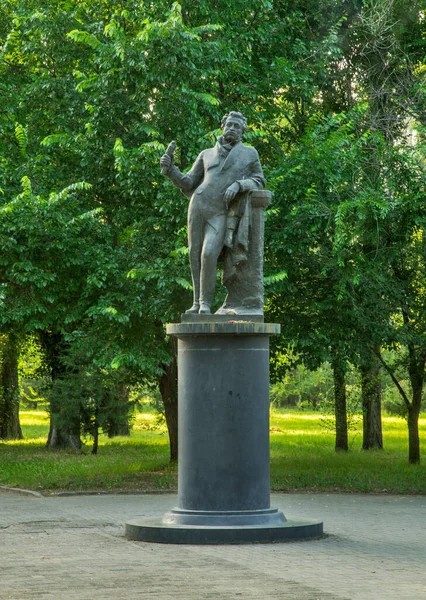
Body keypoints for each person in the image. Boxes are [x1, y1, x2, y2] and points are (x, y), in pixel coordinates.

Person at [160, 111, 265, 315]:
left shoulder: (249, 153)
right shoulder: (206, 154)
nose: (232, 128)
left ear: (243, 130)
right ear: (222, 127)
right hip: (198, 205)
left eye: (237, 126)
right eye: (229, 125)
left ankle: (205, 302)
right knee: (194, 254)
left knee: (208, 253)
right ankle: (198, 304)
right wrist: (171, 170)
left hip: (220, 211)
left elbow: (259, 180)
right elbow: (189, 181)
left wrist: (239, 184)